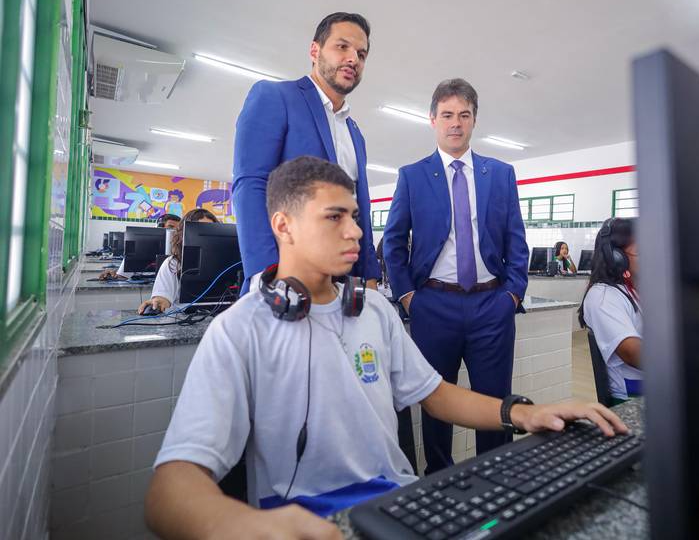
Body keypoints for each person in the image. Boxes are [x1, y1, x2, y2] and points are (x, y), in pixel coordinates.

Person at [145, 157, 626, 539]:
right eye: (334, 217)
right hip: (302, 520)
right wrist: (241, 527)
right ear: (283, 225)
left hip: (397, 504)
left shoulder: (372, 311)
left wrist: (523, 413)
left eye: (354, 217)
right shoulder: (239, 330)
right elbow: (168, 492)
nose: (355, 231)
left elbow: (434, 393)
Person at [383, 79, 530, 474]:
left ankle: (496, 478)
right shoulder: (413, 176)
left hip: (491, 304)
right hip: (434, 306)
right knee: (436, 402)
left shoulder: (500, 174)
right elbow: (393, 243)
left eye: (464, 115)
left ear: (474, 121)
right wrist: (409, 297)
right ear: (432, 120)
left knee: (495, 401)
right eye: (447, 115)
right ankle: (439, 480)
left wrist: (512, 295)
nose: (455, 123)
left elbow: (517, 241)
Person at [232, 12, 380, 293]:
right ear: (315, 50)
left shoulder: (355, 132)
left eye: (361, 54)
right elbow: (250, 184)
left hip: (340, 287)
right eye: (342, 46)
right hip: (285, 280)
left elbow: (359, 210)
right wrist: (268, 272)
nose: (353, 59)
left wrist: (369, 276)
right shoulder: (275, 97)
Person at [578, 218, 642, 401]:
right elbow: (633, 353)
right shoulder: (603, 296)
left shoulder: (639, 289)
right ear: (616, 257)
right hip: (633, 397)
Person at [136, 209, 218, 314]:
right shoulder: (173, 263)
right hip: (183, 321)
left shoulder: (229, 263)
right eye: (200, 230)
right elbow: (163, 298)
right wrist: (159, 302)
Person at [99, 213, 181, 281]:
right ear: (159, 227)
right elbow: (122, 277)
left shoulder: (181, 251)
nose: (175, 232)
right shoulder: (140, 247)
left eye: (178, 229)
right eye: (170, 227)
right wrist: (111, 275)